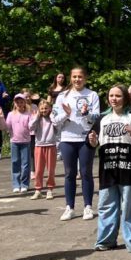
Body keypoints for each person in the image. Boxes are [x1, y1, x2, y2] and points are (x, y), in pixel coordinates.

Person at [90, 84, 131, 253]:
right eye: (111, 96)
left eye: (118, 95)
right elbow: (94, 143)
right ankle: (106, 241)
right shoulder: (102, 119)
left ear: (125, 98)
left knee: (128, 206)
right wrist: (92, 140)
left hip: (129, 168)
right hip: (108, 169)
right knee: (106, 205)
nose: (114, 99)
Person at [51, 67, 100, 221]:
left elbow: (95, 117)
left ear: (85, 78)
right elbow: (54, 119)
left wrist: (86, 114)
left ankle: (88, 207)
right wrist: (66, 114)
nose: (77, 79)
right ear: (70, 78)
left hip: (85, 139)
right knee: (69, 174)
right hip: (67, 138)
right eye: (74, 77)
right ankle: (69, 207)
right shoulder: (62, 96)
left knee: (86, 173)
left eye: (80, 76)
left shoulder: (92, 95)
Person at [5, 93, 34, 194]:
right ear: (14, 103)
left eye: (21, 102)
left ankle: (24, 184)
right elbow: (7, 126)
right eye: (17, 102)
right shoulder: (10, 114)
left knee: (25, 164)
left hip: (26, 142)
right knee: (15, 162)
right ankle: (16, 184)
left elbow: (31, 127)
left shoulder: (28, 114)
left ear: (24, 103)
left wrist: (34, 119)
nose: (19, 104)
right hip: (14, 141)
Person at [30, 98, 58, 199]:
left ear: (50, 108)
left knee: (50, 170)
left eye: (46, 108)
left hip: (51, 146)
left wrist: (52, 117)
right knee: (38, 170)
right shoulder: (37, 118)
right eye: (41, 108)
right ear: (39, 109)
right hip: (39, 146)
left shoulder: (52, 118)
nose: (44, 110)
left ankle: (50, 189)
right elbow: (30, 127)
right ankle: (38, 190)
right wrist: (36, 116)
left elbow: (57, 126)